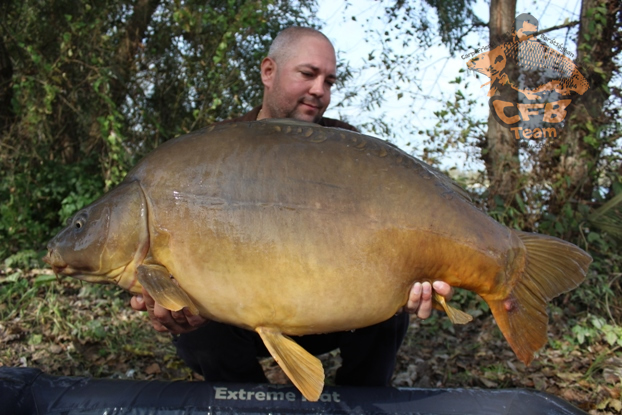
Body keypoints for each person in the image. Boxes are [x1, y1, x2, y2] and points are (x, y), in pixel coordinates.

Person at [131, 27, 453, 387]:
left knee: (391, 310)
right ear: (268, 71)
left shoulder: (347, 147)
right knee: (197, 332)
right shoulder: (216, 148)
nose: (320, 90)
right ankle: (245, 401)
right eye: (308, 74)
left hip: (332, 312)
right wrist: (175, 300)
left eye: (329, 81)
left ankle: (362, 401)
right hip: (239, 319)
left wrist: (417, 271)